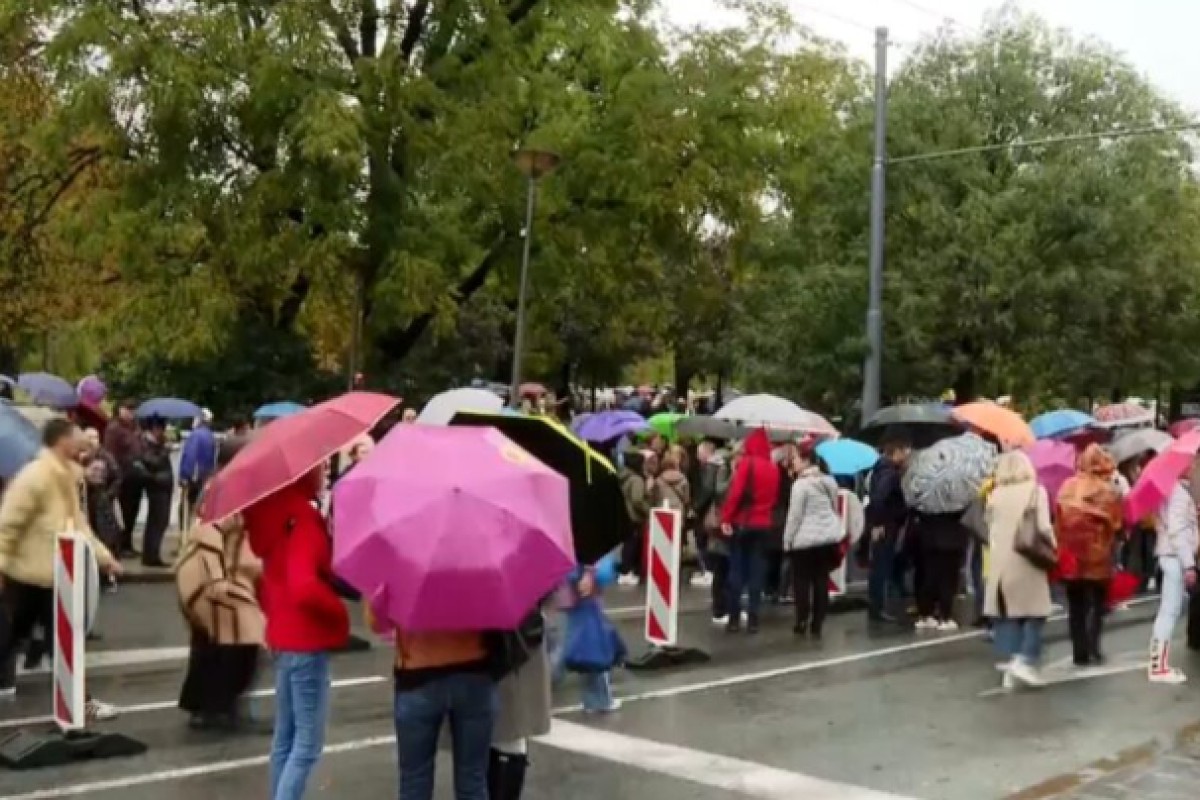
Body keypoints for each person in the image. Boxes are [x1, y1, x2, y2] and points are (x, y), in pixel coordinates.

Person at [0, 418, 123, 715]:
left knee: (22, 639)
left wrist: (104, 558)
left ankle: (80, 702)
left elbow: (77, 526)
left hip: (52, 574)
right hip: (32, 574)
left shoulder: (66, 477)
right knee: (56, 641)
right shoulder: (36, 476)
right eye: (77, 434)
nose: (84, 439)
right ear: (62, 440)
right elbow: (7, 526)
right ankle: (81, 704)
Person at [244, 465, 350, 800]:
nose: (324, 476)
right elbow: (304, 585)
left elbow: (269, 581)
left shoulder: (269, 516)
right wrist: (338, 611)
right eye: (318, 470)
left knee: (285, 739)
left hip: (282, 636)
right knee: (307, 744)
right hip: (306, 639)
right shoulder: (302, 519)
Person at [368, 589, 496, 800]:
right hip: (474, 671)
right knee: (473, 780)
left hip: (418, 674)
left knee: (415, 782)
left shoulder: (398, 563)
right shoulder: (477, 561)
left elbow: (378, 623)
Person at [176, 435, 265, 731]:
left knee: (209, 643)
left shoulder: (219, 485)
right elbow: (210, 532)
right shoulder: (227, 489)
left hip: (209, 574)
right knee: (241, 640)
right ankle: (220, 706)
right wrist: (218, 577)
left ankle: (202, 705)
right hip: (217, 575)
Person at [985, 451, 1055, 688]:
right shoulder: (1036, 491)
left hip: (1000, 563)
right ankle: (1023, 660)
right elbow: (1044, 527)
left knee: (1011, 613)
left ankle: (1013, 661)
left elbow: (990, 530)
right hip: (1027, 561)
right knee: (1036, 613)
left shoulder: (995, 495)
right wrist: (1053, 549)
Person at [1055, 445, 1123, 667]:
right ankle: (1093, 647)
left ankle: (1079, 651)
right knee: (1097, 603)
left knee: (1075, 605)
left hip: (1071, 556)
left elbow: (1057, 518)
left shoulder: (1067, 487)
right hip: (1098, 556)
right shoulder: (1107, 492)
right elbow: (1117, 524)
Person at [719, 429, 780, 634]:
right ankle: (754, 618)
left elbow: (735, 494)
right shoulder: (773, 467)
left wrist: (726, 518)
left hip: (743, 522)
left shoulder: (748, 463)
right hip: (764, 525)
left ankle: (734, 618)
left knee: (736, 572)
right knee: (757, 573)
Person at [782, 445, 843, 638]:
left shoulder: (800, 485)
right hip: (826, 539)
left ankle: (801, 620)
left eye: (796, 459)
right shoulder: (829, 481)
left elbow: (795, 516)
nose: (793, 463)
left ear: (805, 460)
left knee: (801, 582)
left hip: (805, 540)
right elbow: (833, 506)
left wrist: (787, 540)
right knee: (821, 580)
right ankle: (818, 623)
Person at [1148, 476, 1197, 684]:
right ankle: (1158, 667)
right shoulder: (1177, 493)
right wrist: (1189, 564)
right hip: (1174, 556)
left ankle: (1157, 663)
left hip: (1170, 554)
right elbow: (1178, 530)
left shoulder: (1171, 489)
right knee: (1170, 611)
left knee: (1169, 610)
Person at [864, 435, 911, 623]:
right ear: (896, 452)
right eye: (904, 451)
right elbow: (880, 499)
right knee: (881, 565)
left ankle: (876, 605)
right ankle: (877, 606)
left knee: (879, 565)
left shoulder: (881, 469)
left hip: (883, 523)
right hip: (886, 525)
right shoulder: (889, 473)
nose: (906, 455)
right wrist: (878, 524)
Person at [911, 504, 971, 632]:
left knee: (929, 577)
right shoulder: (956, 498)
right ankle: (945, 617)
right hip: (951, 540)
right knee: (948, 580)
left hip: (928, 539)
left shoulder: (926, 494)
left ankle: (926, 615)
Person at [695, 442, 732, 624]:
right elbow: (717, 491)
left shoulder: (714, 466)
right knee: (722, 564)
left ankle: (724, 607)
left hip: (718, 518)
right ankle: (720, 609)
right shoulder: (720, 466)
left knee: (724, 564)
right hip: (719, 519)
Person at [105, 399, 144, 557]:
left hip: (136, 477)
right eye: (127, 409)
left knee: (133, 512)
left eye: (132, 410)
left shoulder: (135, 428)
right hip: (123, 476)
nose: (130, 413)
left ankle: (128, 543)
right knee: (124, 512)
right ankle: (121, 545)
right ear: (120, 410)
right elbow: (110, 452)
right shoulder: (114, 429)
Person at [135, 415, 175, 567]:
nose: (163, 432)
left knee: (160, 521)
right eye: (161, 429)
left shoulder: (158, 444)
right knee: (157, 522)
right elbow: (152, 462)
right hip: (156, 487)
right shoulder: (146, 444)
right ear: (154, 429)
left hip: (163, 486)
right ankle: (151, 555)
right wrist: (165, 451)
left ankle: (152, 553)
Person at [179, 409, 217, 530]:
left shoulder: (196, 435)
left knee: (186, 510)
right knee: (199, 508)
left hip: (193, 478)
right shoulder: (210, 436)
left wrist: (185, 476)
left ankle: (185, 538)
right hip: (205, 477)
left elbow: (191, 456)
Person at [617, 450, 649, 586]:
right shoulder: (636, 479)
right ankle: (627, 572)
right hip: (634, 516)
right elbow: (637, 500)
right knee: (632, 544)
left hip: (624, 514)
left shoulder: (623, 476)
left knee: (628, 543)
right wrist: (648, 510)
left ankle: (625, 570)